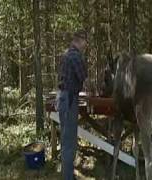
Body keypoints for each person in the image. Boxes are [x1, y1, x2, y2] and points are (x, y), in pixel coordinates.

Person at [57, 30, 88, 180]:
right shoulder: (75, 56)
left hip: (64, 98)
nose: (86, 45)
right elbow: (83, 76)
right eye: (85, 42)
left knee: (66, 139)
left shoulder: (65, 54)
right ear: (80, 40)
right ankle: (68, 177)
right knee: (69, 141)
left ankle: (67, 174)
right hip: (69, 99)